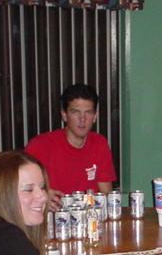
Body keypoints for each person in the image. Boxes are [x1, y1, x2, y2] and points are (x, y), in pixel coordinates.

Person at [26, 83, 117, 211]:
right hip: (50, 218)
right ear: (64, 115)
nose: (82, 119)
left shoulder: (99, 143)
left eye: (88, 112)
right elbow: (19, 190)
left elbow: (106, 195)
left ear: (95, 116)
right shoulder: (40, 145)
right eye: (75, 112)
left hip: (90, 219)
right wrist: (43, 195)